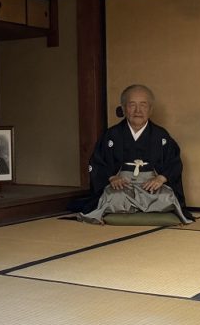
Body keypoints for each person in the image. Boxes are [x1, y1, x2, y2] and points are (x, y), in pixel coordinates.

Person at [73, 84, 193, 224]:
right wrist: (112, 178)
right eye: (132, 105)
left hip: (151, 186)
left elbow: (175, 162)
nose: (138, 110)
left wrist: (160, 178)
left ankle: (127, 209)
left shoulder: (161, 136)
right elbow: (96, 162)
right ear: (124, 108)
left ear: (150, 109)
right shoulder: (112, 135)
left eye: (143, 105)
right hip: (123, 186)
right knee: (113, 197)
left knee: (167, 197)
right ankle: (139, 208)